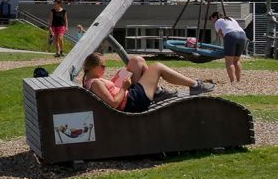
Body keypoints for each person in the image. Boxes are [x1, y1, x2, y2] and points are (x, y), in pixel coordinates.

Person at [81, 52, 214, 113]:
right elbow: (113, 103)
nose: (105, 68)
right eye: (103, 66)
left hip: (129, 97)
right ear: (93, 67)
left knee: (136, 61)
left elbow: (109, 91)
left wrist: (119, 77)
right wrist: (124, 87)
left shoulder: (90, 80)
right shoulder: (96, 83)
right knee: (157, 66)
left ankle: (157, 91)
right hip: (134, 101)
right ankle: (195, 85)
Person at [211, 12, 247, 83]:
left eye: (211, 19)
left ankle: (232, 81)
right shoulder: (230, 19)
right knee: (236, 61)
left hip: (231, 36)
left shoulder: (217, 22)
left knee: (229, 62)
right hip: (243, 36)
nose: (212, 22)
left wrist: (227, 46)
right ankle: (238, 80)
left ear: (215, 17)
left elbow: (222, 35)